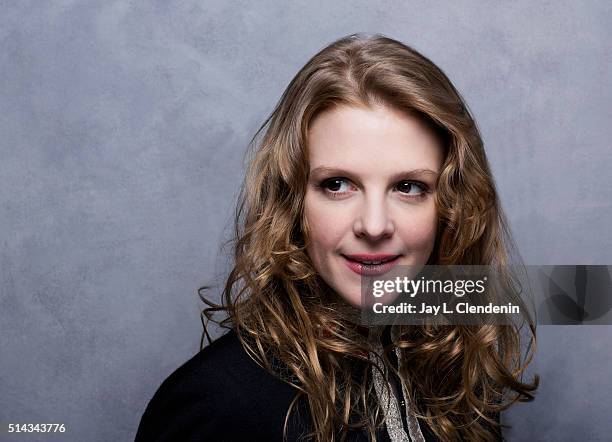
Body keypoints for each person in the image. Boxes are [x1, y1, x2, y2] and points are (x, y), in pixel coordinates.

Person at [135, 33, 539, 442]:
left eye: (409, 187)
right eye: (338, 184)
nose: (375, 225)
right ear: (293, 201)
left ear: (451, 205)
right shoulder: (217, 407)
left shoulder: (456, 370)